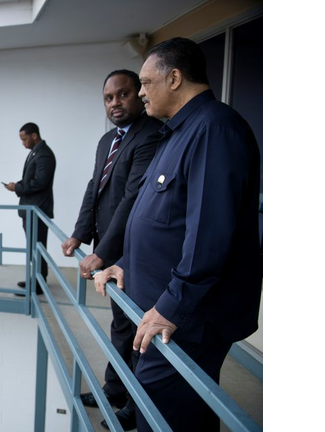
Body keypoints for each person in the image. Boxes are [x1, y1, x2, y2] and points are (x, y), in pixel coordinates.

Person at [93, 37, 262, 432]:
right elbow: (163, 220)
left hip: (186, 317)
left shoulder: (214, 130)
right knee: (182, 411)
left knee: (163, 413)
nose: (139, 93)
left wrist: (171, 307)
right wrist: (126, 266)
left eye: (145, 83)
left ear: (174, 78)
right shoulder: (178, 132)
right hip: (164, 305)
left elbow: (209, 235)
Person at [61, 69, 162, 431]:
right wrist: (78, 234)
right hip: (108, 246)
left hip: (131, 250)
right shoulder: (107, 140)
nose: (115, 103)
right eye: (108, 97)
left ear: (139, 94)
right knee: (121, 326)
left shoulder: (151, 135)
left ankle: (134, 408)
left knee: (136, 330)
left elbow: (131, 199)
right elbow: (96, 189)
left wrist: (102, 252)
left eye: (123, 94)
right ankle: (115, 389)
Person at [4, 123, 56, 294]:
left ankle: (39, 283)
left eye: (24, 139)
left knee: (37, 247)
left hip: (38, 210)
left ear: (34, 136)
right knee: (34, 247)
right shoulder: (36, 153)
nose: (23, 142)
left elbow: (40, 183)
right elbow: (31, 180)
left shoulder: (44, 155)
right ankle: (36, 279)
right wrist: (17, 185)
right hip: (31, 209)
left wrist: (17, 188)